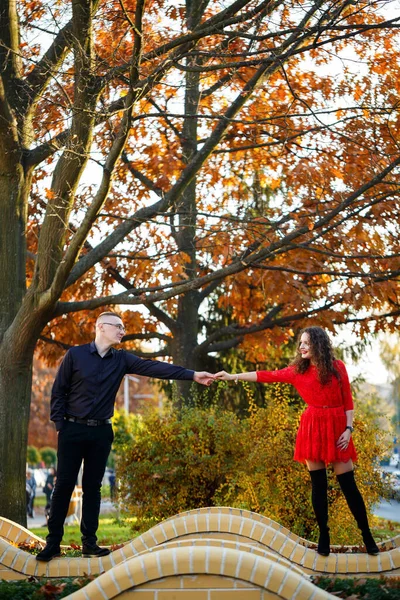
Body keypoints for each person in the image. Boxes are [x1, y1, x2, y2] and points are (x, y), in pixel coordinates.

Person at [37, 311, 215, 562]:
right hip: (72, 430)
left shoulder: (122, 360)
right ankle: (52, 543)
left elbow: (155, 368)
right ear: (101, 327)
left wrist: (192, 375)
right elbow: (59, 392)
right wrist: (60, 426)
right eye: (118, 327)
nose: (122, 331)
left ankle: (89, 543)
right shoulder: (75, 355)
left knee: (93, 488)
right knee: (64, 485)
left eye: (123, 328)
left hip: (101, 432)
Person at [215, 326, 379, 557]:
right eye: (300, 343)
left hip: (337, 427)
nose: (301, 347)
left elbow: (348, 401)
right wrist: (232, 376)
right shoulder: (296, 372)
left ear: (318, 345)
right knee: (319, 485)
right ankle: (324, 534)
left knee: (348, 485)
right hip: (312, 427)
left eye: (306, 343)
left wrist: (348, 429)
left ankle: (367, 535)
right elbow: (266, 376)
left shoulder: (337, 367)